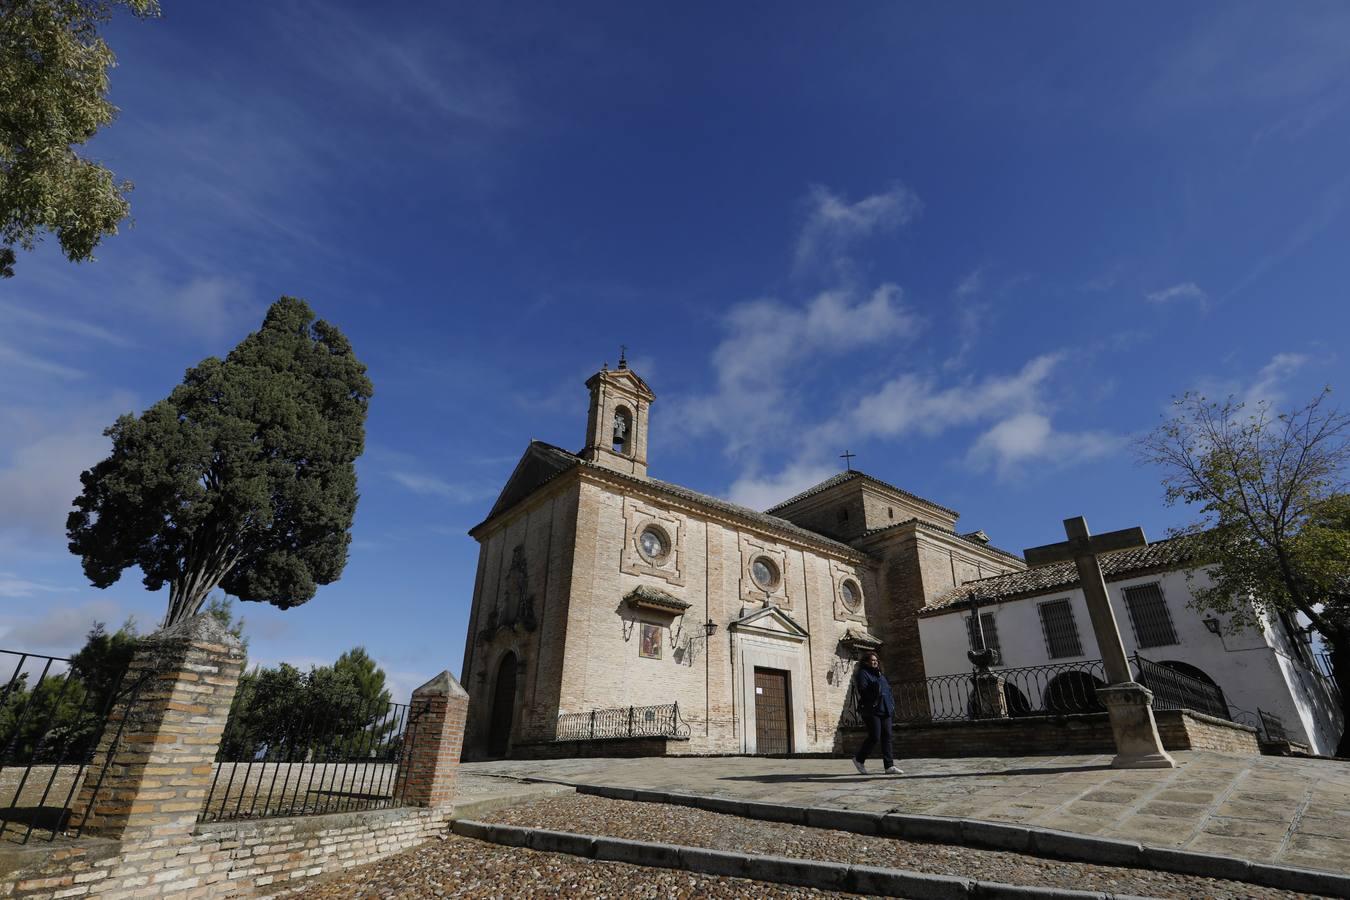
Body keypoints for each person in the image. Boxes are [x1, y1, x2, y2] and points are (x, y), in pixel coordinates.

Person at [852, 651, 902, 775]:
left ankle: (889, 766)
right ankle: (859, 759)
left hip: (885, 709)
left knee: (887, 736)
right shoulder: (863, 674)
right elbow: (863, 690)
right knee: (875, 736)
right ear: (866, 662)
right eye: (872, 660)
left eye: (876, 660)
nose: (875, 662)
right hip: (872, 709)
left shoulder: (881, 675)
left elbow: (888, 690)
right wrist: (874, 689)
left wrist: (891, 704)